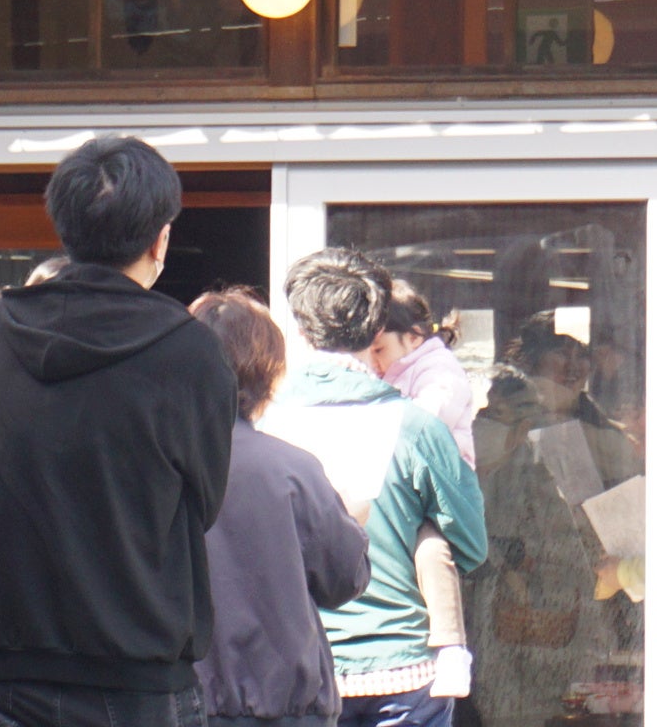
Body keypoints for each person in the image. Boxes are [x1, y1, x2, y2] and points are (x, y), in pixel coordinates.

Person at [0, 134, 237, 727]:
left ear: (63, 227)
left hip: (13, 660)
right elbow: (204, 501)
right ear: (160, 238)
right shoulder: (189, 349)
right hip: (138, 663)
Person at [260, 248, 487, 727]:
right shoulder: (416, 426)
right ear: (376, 326)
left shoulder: (264, 425)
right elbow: (470, 544)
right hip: (404, 670)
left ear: (300, 328)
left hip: (301, 665)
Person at [189, 288, 371, 727]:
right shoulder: (292, 469)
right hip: (287, 705)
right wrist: (353, 522)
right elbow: (344, 579)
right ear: (268, 372)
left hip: (180, 701)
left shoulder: (148, 468)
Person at [466, 312, 643, 725]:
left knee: (579, 705)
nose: (573, 368)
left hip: (588, 593)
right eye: (561, 357)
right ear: (531, 366)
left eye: (581, 358)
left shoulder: (604, 433)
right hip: (510, 596)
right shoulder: (494, 427)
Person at [369, 280, 476, 697]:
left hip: (440, 490)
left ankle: (451, 647)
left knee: (431, 549)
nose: (376, 361)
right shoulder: (393, 370)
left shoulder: (439, 369)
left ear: (414, 337)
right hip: (405, 485)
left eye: (381, 349)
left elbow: (429, 417)